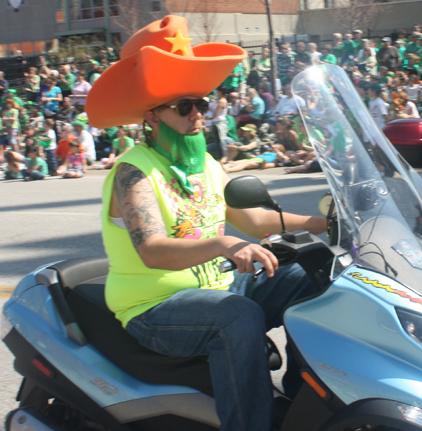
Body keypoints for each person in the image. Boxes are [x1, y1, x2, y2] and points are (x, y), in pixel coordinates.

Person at [85, 15, 327, 431]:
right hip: (153, 306)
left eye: (201, 102)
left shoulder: (205, 165)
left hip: (217, 286)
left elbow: (252, 219)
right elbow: (152, 249)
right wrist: (225, 246)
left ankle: (308, 400)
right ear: (152, 116)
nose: (198, 114)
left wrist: (327, 222)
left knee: (320, 272)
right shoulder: (133, 171)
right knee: (238, 317)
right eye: (185, 106)